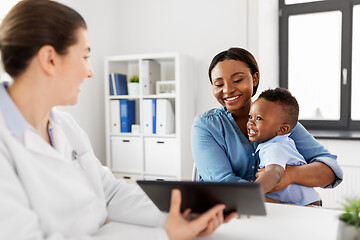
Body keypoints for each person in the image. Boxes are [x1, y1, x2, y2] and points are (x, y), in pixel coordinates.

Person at [0, 1, 238, 239]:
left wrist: (183, 215)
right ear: (49, 59)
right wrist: (165, 235)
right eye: (84, 56)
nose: (89, 71)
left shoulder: (65, 125)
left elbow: (110, 192)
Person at [191, 47, 343, 195]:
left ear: (255, 78)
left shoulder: (279, 119)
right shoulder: (206, 126)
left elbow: (330, 170)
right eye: (218, 84)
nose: (228, 89)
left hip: (280, 214)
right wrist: (281, 203)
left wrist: (291, 174)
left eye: (237, 80)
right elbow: (224, 187)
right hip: (229, 215)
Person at [248, 88, 320, 206]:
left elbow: (274, 172)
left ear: (282, 129)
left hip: (306, 206)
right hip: (305, 202)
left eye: (259, 118)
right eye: (250, 116)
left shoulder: (275, 147)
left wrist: (252, 192)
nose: (250, 122)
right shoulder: (278, 143)